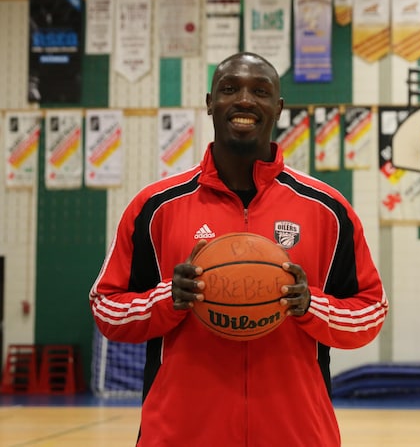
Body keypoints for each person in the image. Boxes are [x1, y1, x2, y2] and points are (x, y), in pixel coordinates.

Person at [89, 51, 388, 446]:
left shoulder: (327, 210)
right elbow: (106, 307)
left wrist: (311, 306)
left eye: (260, 91)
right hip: (180, 434)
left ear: (278, 108)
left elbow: (370, 311)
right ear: (210, 102)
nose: (245, 100)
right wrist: (167, 299)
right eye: (230, 89)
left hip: (296, 434)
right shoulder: (156, 206)